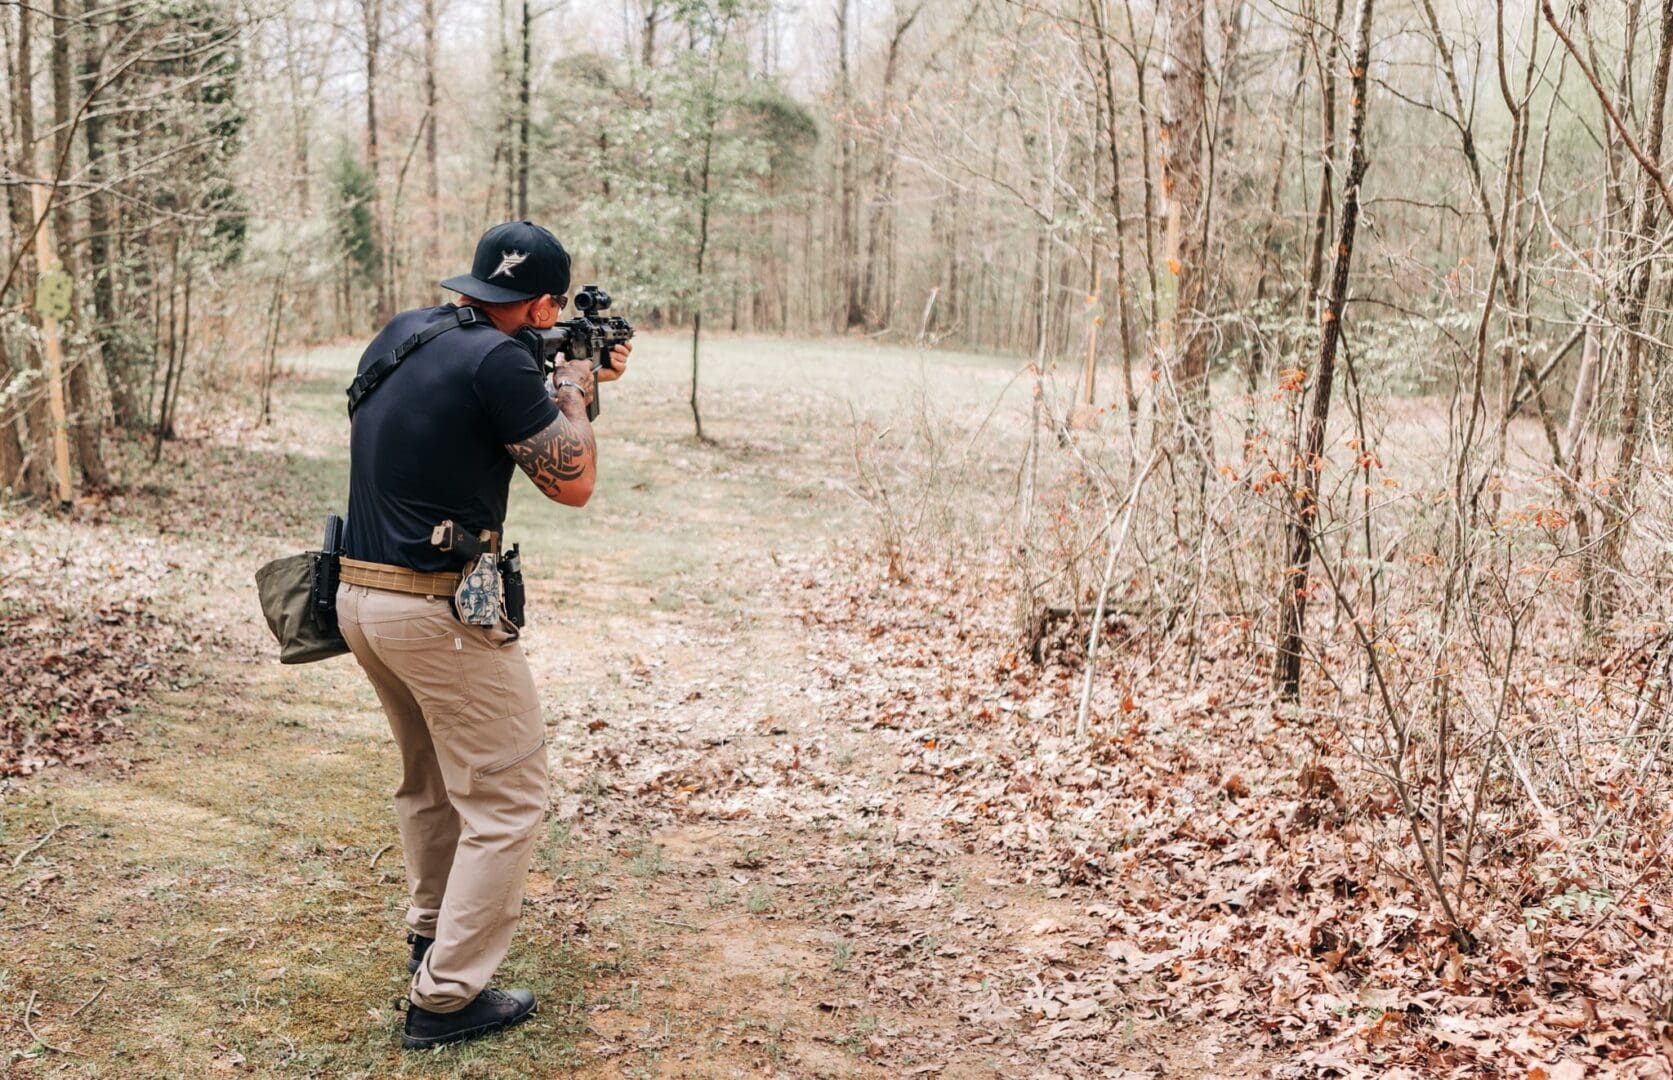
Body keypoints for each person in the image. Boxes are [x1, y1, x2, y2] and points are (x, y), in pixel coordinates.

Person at [333, 221, 630, 1049]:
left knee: (431, 782)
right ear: (539, 305)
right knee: (508, 798)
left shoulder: (405, 331)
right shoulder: (503, 360)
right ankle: (448, 998)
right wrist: (571, 388)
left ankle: (433, 938)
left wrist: (562, 374)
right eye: (549, 313)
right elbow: (572, 483)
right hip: (436, 612)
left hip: (360, 594)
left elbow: (454, 420)